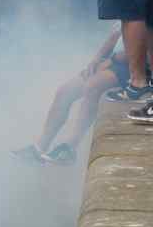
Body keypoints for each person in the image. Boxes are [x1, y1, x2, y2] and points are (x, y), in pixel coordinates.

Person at [12, 24, 138, 165]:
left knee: (92, 86)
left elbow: (141, 46)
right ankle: (39, 147)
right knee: (64, 91)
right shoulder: (127, 6)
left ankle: (70, 147)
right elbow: (114, 37)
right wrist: (96, 60)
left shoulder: (143, 8)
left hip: (135, 64)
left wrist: (111, 61)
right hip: (114, 61)